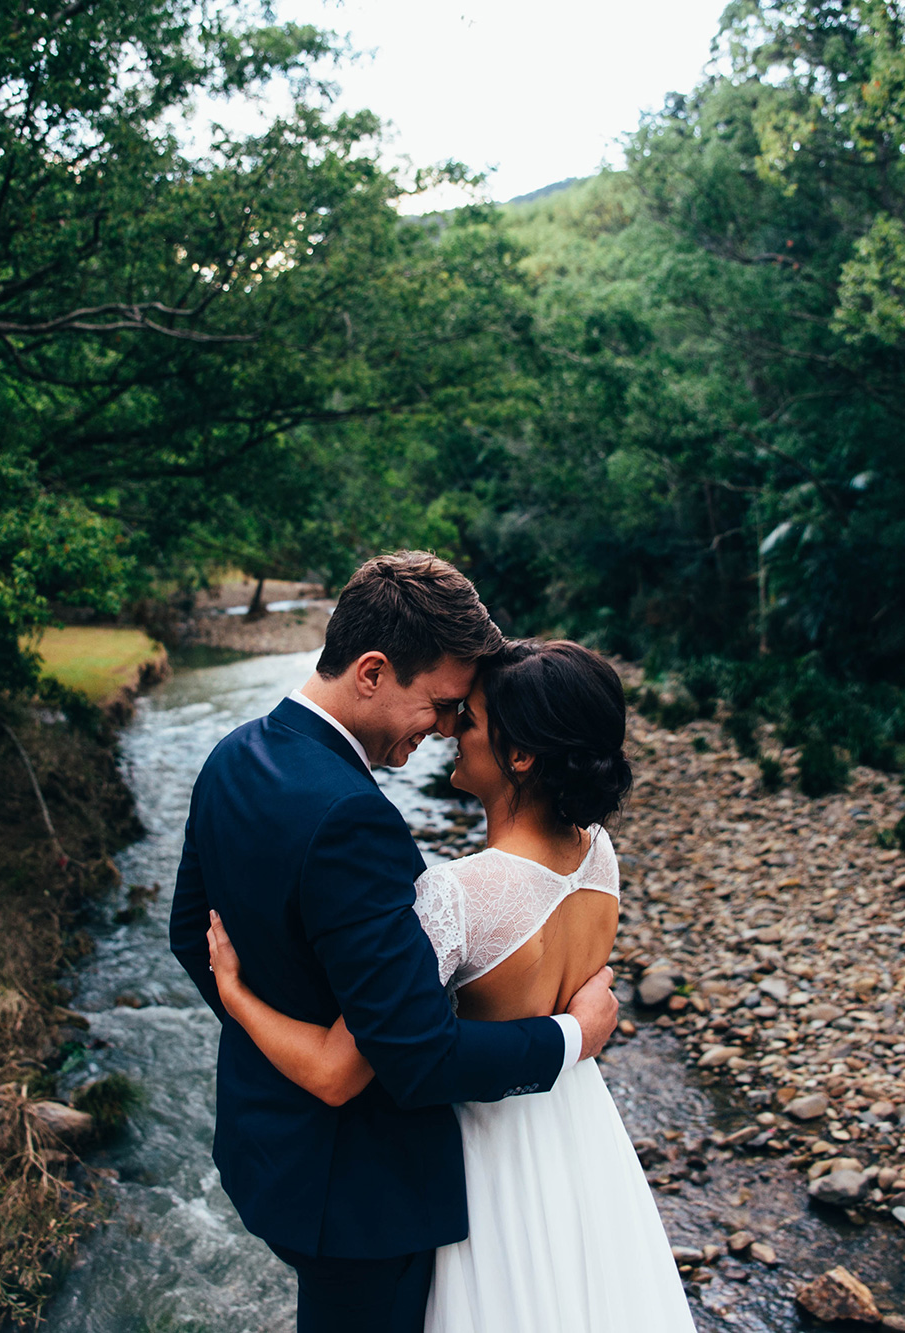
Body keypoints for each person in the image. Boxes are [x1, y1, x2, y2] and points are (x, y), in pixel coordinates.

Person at [168, 552, 621, 1333]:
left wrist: (255, 1015)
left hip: (268, 1150)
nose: (447, 727)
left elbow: (191, 938)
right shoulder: (356, 820)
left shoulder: (232, 756)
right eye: (442, 703)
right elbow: (410, 1055)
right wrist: (572, 1036)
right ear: (372, 672)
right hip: (361, 1197)